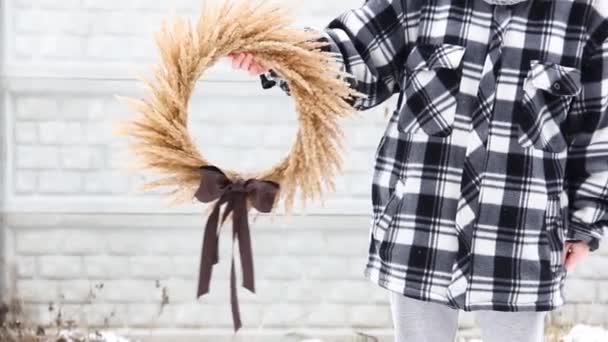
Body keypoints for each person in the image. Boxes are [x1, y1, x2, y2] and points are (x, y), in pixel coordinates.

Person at [229, 0, 608, 341]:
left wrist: (583, 225)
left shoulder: (583, 21)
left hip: (519, 239)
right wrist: (282, 55)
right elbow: (353, 55)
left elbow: (596, 135)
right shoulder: (417, 5)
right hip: (420, 230)